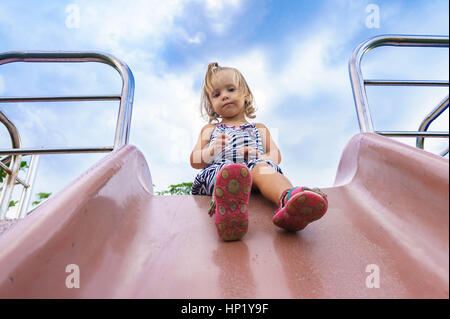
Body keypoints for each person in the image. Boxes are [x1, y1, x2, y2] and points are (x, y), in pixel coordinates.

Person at [190, 62, 328, 241]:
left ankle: (288, 201)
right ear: (211, 104)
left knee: (263, 167)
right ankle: (229, 210)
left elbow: (275, 155)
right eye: (216, 94)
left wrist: (259, 156)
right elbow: (195, 160)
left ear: (246, 95)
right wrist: (211, 150)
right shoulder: (210, 129)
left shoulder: (259, 128)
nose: (224, 96)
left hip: (254, 173)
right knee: (228, 171)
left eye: (230, 90)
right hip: (220, 174)